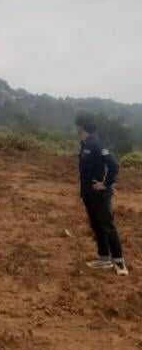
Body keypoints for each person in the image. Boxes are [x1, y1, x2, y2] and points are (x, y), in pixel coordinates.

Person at [76, 113, 128, 276]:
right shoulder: (84, 144)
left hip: (99, 195)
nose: (77, 129)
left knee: (107, 226)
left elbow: (113, 165)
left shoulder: (96, 144)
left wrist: (105, 184)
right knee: (97, 225)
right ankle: (104, 258)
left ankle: (119, 262)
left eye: (78, 126)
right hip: (88, 194)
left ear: (83, 127)